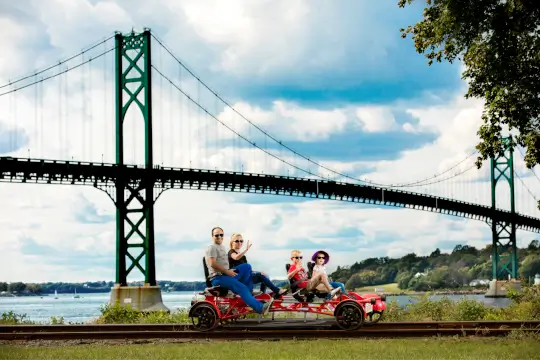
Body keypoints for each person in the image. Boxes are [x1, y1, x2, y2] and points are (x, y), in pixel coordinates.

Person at [205, 226, 273, 314]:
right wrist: (227, 271)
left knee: (247, 266)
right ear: (212, 236)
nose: (219, 237)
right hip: (217, 278)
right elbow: (212, 263)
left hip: (226, 275)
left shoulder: (221, 247)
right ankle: (260, 308)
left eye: (221, 235)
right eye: (216, 235)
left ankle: (248, 294)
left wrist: (230, 271)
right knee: (242, 287)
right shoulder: (212, 247)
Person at [228, 233, 288, 298]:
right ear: (232, 242)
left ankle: (262, 294)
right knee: (260, 275)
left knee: (264, 275)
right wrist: (246, 250)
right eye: (237, 241)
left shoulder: (243, 257)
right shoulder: (231, 252)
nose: (239, 242)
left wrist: (258, 272)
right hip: (239, 278)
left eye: (241, 241)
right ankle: (277, 290)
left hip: (247, 276)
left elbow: (249, 270)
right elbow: (236, 257)